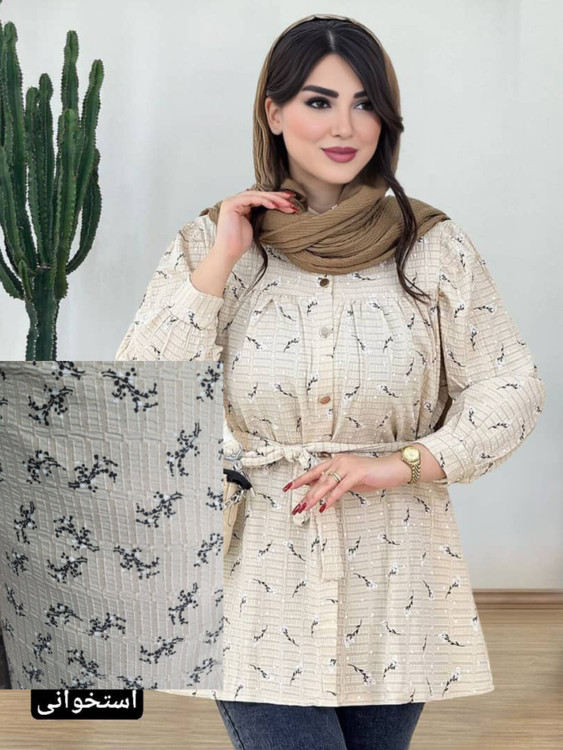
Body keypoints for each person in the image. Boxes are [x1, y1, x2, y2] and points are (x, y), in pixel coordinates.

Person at [115, 13, 546, 750]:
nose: (345, 126)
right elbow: (141, 395)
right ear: (274, 113)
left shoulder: (432, 246)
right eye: (319, 101)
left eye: (364, 103)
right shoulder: (210, 243)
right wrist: (221, 260)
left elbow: (512, 387)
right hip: (254, 575)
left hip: (398, 579)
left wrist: (399, 463)